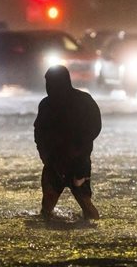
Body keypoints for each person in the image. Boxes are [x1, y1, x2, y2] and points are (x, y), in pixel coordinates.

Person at [34, 65, 101, 220]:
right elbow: (39, 132)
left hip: (77, 163)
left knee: (85, 203)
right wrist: (45, 156)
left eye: (50, 82)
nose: (48, 86)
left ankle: (92, 228)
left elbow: (94, 127)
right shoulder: (46, 105)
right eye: (47, 82)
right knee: (47, 207)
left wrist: (79, 148)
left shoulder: (82, 101)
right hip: (56, 162)